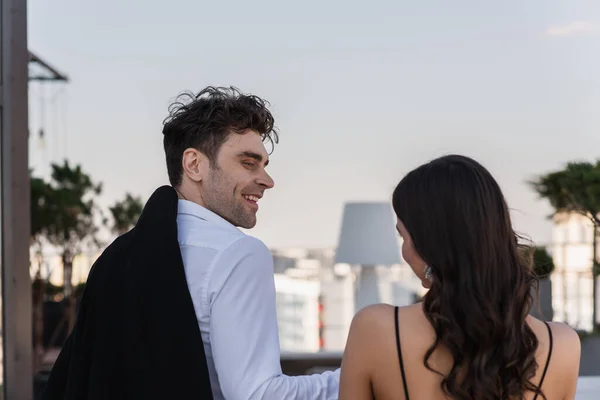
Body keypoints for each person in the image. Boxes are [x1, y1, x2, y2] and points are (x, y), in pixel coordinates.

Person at [42, 86, 339, 400]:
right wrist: (357, 377)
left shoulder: (117, 257)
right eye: (249, 163)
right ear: (194, 165)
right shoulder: (237, 253)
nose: (267, 180)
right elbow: (259, 395)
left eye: (265, 165)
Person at [339, 155, 581, 400]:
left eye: (404, 237)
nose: (404, 252)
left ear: (431, 246)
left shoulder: (376, 328)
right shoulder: (561, 345)